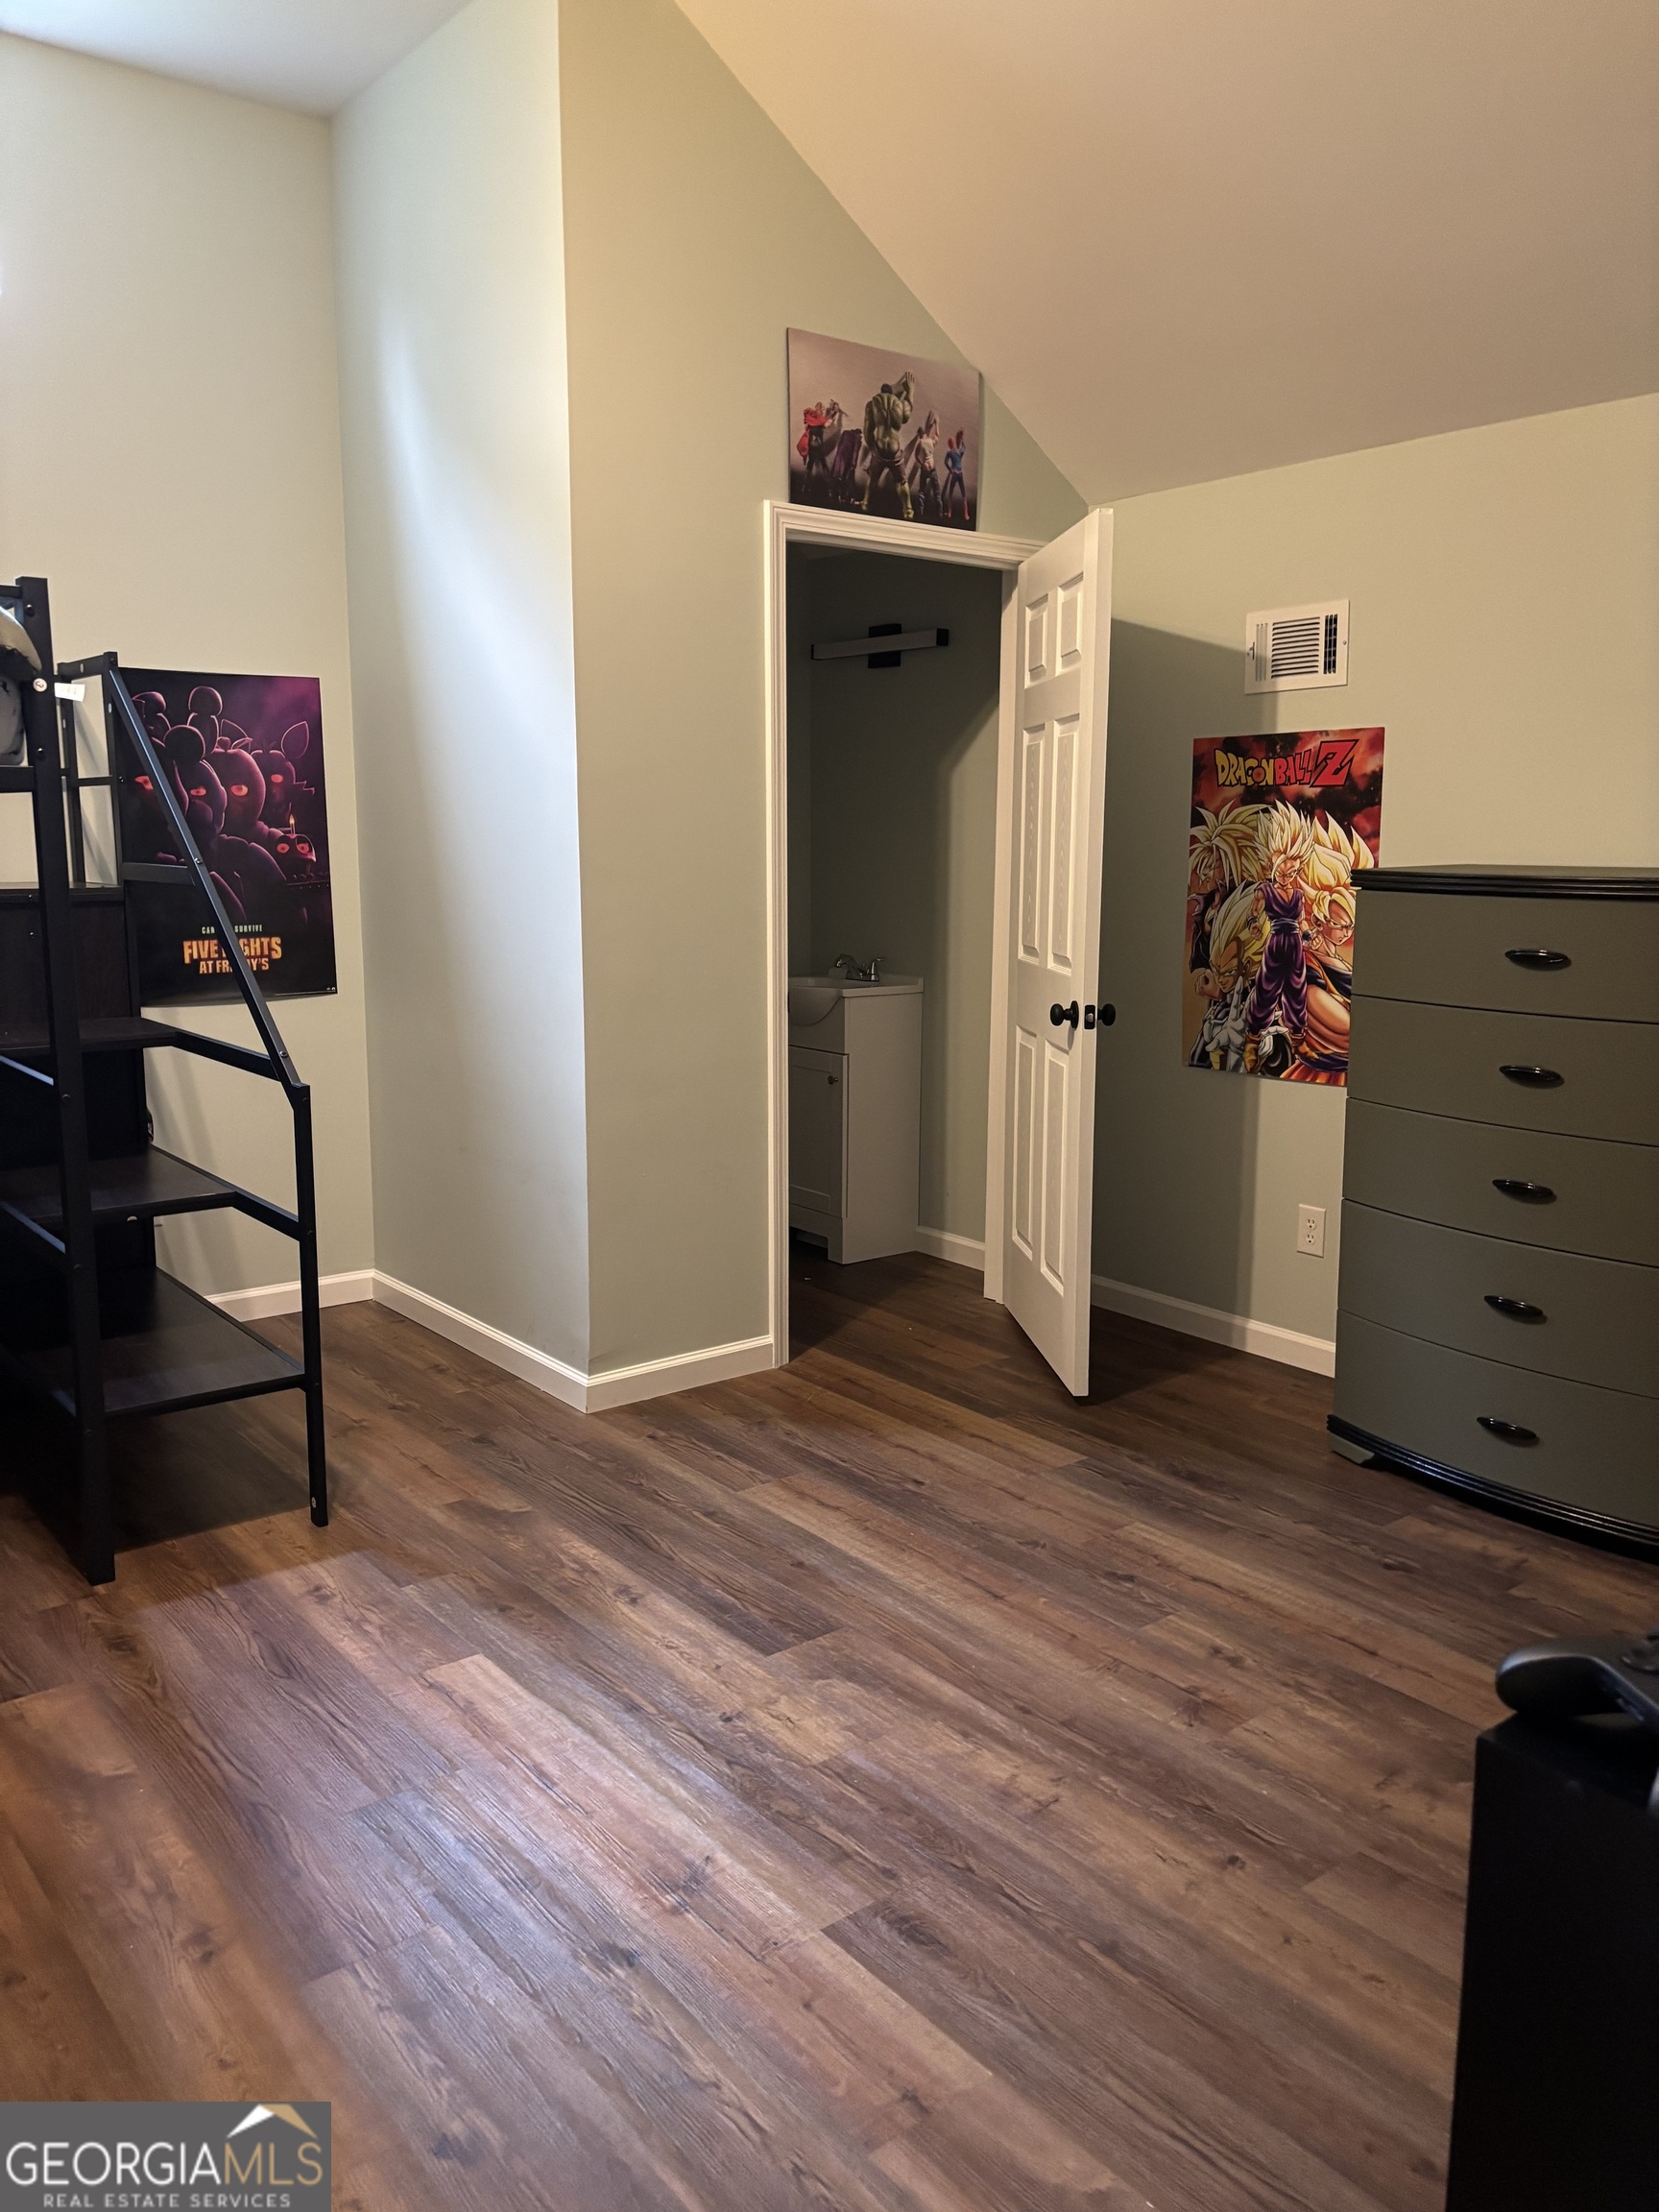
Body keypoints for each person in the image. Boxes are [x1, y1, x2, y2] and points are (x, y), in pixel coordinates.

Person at [860, 373, 916, 518]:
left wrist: (872, 447)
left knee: (872, 478)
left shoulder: (872, 404)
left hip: (879, 448)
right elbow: (906, 417)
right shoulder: (900, 404)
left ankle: (865, 503)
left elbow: (867, 429)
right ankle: (908, 510)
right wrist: (910, 394)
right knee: (902, 481)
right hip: (894, 450)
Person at [942, 430, 970, 524]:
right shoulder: (958, 451)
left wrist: (950, 470)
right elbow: (964, 448)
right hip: (960, 473)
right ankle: (966, 514)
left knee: (950, 493)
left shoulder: (949, 453)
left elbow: (945, 462)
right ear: (953, 443)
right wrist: (962, 438)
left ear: (949, 444)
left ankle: (949, 512)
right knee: (963, 494)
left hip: (954, 473)